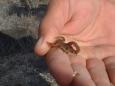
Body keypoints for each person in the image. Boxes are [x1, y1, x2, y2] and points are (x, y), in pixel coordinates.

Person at [35, 0, 115, 86]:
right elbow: (64, 46)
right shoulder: (63, 45)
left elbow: (69, 46)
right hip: (62, 44)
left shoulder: (69, 48)